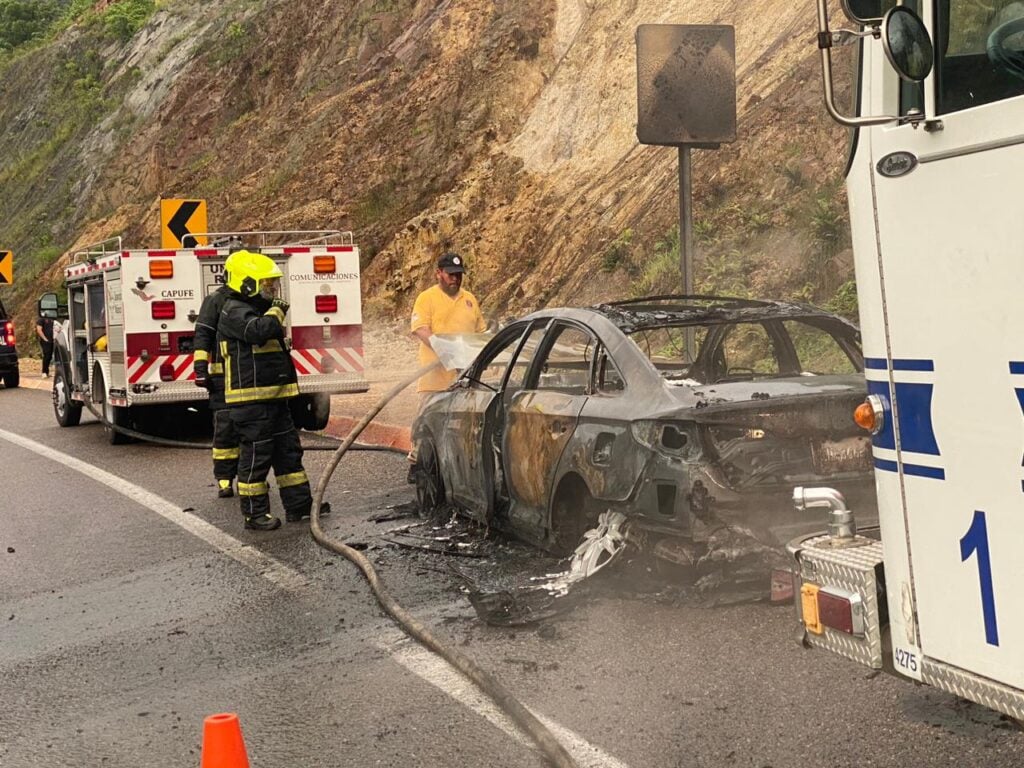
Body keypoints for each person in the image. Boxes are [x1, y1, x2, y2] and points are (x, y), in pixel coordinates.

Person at [217, 251, 329, 531]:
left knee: (289, 453)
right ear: (246, 284)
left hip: (275, 399)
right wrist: (278, 308)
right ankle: (255, 514)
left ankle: (299, 506)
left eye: (273, 285)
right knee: (256, 458)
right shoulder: (234, 311)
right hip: (252, 402)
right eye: (267, 285)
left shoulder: (255, 309)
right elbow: (258, 331)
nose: (273, 290)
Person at [193, 255, 241, 499]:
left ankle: (248, 479)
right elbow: (203, 335)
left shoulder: (254, 300)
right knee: (225, 430)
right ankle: (224, 479)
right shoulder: (215, 301)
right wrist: (200, 369)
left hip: (248, 379)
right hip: (222, 379)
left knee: (251, 430)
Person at [410, 252, 486, 394]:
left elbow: (480, 334)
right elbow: (421, 329)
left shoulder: (469, 299)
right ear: (439, 273)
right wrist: (447, 350)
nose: (455, 279)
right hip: (434, 385)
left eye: (458, 275)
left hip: (466, 383)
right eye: (450, 275)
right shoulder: (426, 298)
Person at [36, 311, 54, 378]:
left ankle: (47, 372)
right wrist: (45, 339)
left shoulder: (52, 319)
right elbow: (39, 330)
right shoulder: (41, 319)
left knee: (50, 356)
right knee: (46, 356)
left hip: (52, 340)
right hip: (45, 341)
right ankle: (44, 372)